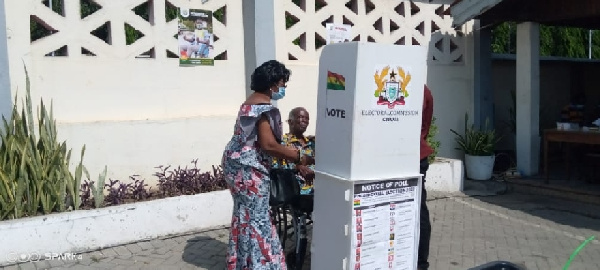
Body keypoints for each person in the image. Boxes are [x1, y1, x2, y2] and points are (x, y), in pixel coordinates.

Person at [221, 60, 312, 270]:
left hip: (236, 164)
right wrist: (298, 158)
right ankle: (262, 265)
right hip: (249, 170)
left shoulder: (249, 103)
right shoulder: (264, 109)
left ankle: (243, 263)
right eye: (282, 83)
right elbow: (269, 144)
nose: (284, 88)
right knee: (257, 218)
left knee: (244, 215)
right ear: (272, 84)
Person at [272, 107, 316, 196]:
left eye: (307, 118)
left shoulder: (312, 143)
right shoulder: (282, 142)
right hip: (293, 193)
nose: (304, 120)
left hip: (315, 193)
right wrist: (296, 167)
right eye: (301, 117)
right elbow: (275, 166)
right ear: (290, 121)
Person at [418, 85, 434, 270]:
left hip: (414, 156)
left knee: (418, 210)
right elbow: (426, 126)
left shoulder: (422, 91)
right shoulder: (424, 90)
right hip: (416, 154)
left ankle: (420, 262)